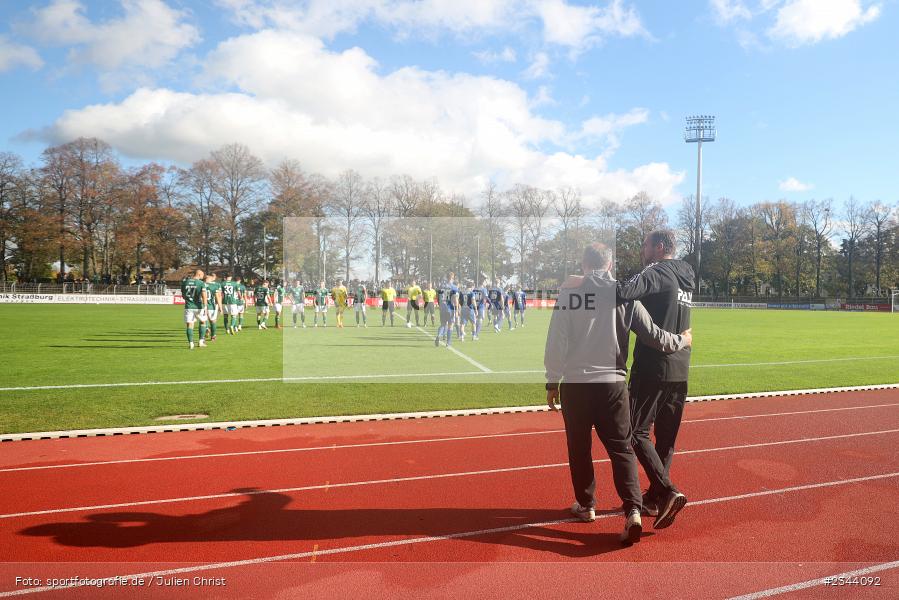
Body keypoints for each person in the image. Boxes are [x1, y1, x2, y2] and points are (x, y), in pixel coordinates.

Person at [544, 243, 692, 544]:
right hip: (613, 385)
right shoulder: (625, 297)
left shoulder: (570, 294)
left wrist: (551, 381)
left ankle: (586, 506)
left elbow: (556, 342)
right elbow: (655, 337)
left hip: (575, 384)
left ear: (584, 265)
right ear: (610, 266)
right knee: (621, 449)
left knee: (579, 446)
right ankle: (633, 511)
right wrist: (682, 339)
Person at [616, 229, 695, 530]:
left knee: (636, 432)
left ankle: (666, 490)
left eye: (645, 244)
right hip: (681, 366)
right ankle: (653, 498)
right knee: (667, 437)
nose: (642, 249)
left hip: (653, 366)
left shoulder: (657, 272)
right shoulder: (686, 275)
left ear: (659, 247)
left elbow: (624, 291)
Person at [180, 270, 208, 349]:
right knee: (203, 322)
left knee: (190, 325)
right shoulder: (201, 283)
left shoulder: (185, 282)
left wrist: (189, 300)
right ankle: (200, 342)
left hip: (188, 306)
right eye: (202, 275)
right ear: (199, 274)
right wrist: (205, 307)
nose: (203, 276)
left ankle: (191, 343)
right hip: (198, 306)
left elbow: (183, 295)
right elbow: (204, 296)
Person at [434, 273, 459, 347]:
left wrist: (439, 305)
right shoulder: (454, 287)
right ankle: (448, 342)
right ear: (452, 278)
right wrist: (457, 310)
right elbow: (455, 299)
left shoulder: (442, 286)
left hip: (442, 308)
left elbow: (438, 296)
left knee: (443, 324)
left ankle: (438, 335)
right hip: (450, 309)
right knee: (450, 325)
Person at [204, 273, 222, 341]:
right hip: (212, 305)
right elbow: (218, 297)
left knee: (204, 320)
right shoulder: (215, 286)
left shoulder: (201, 284)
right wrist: (220, 307)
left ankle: (206, 329)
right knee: (213, 321)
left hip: (202, 306)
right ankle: (213, 336)